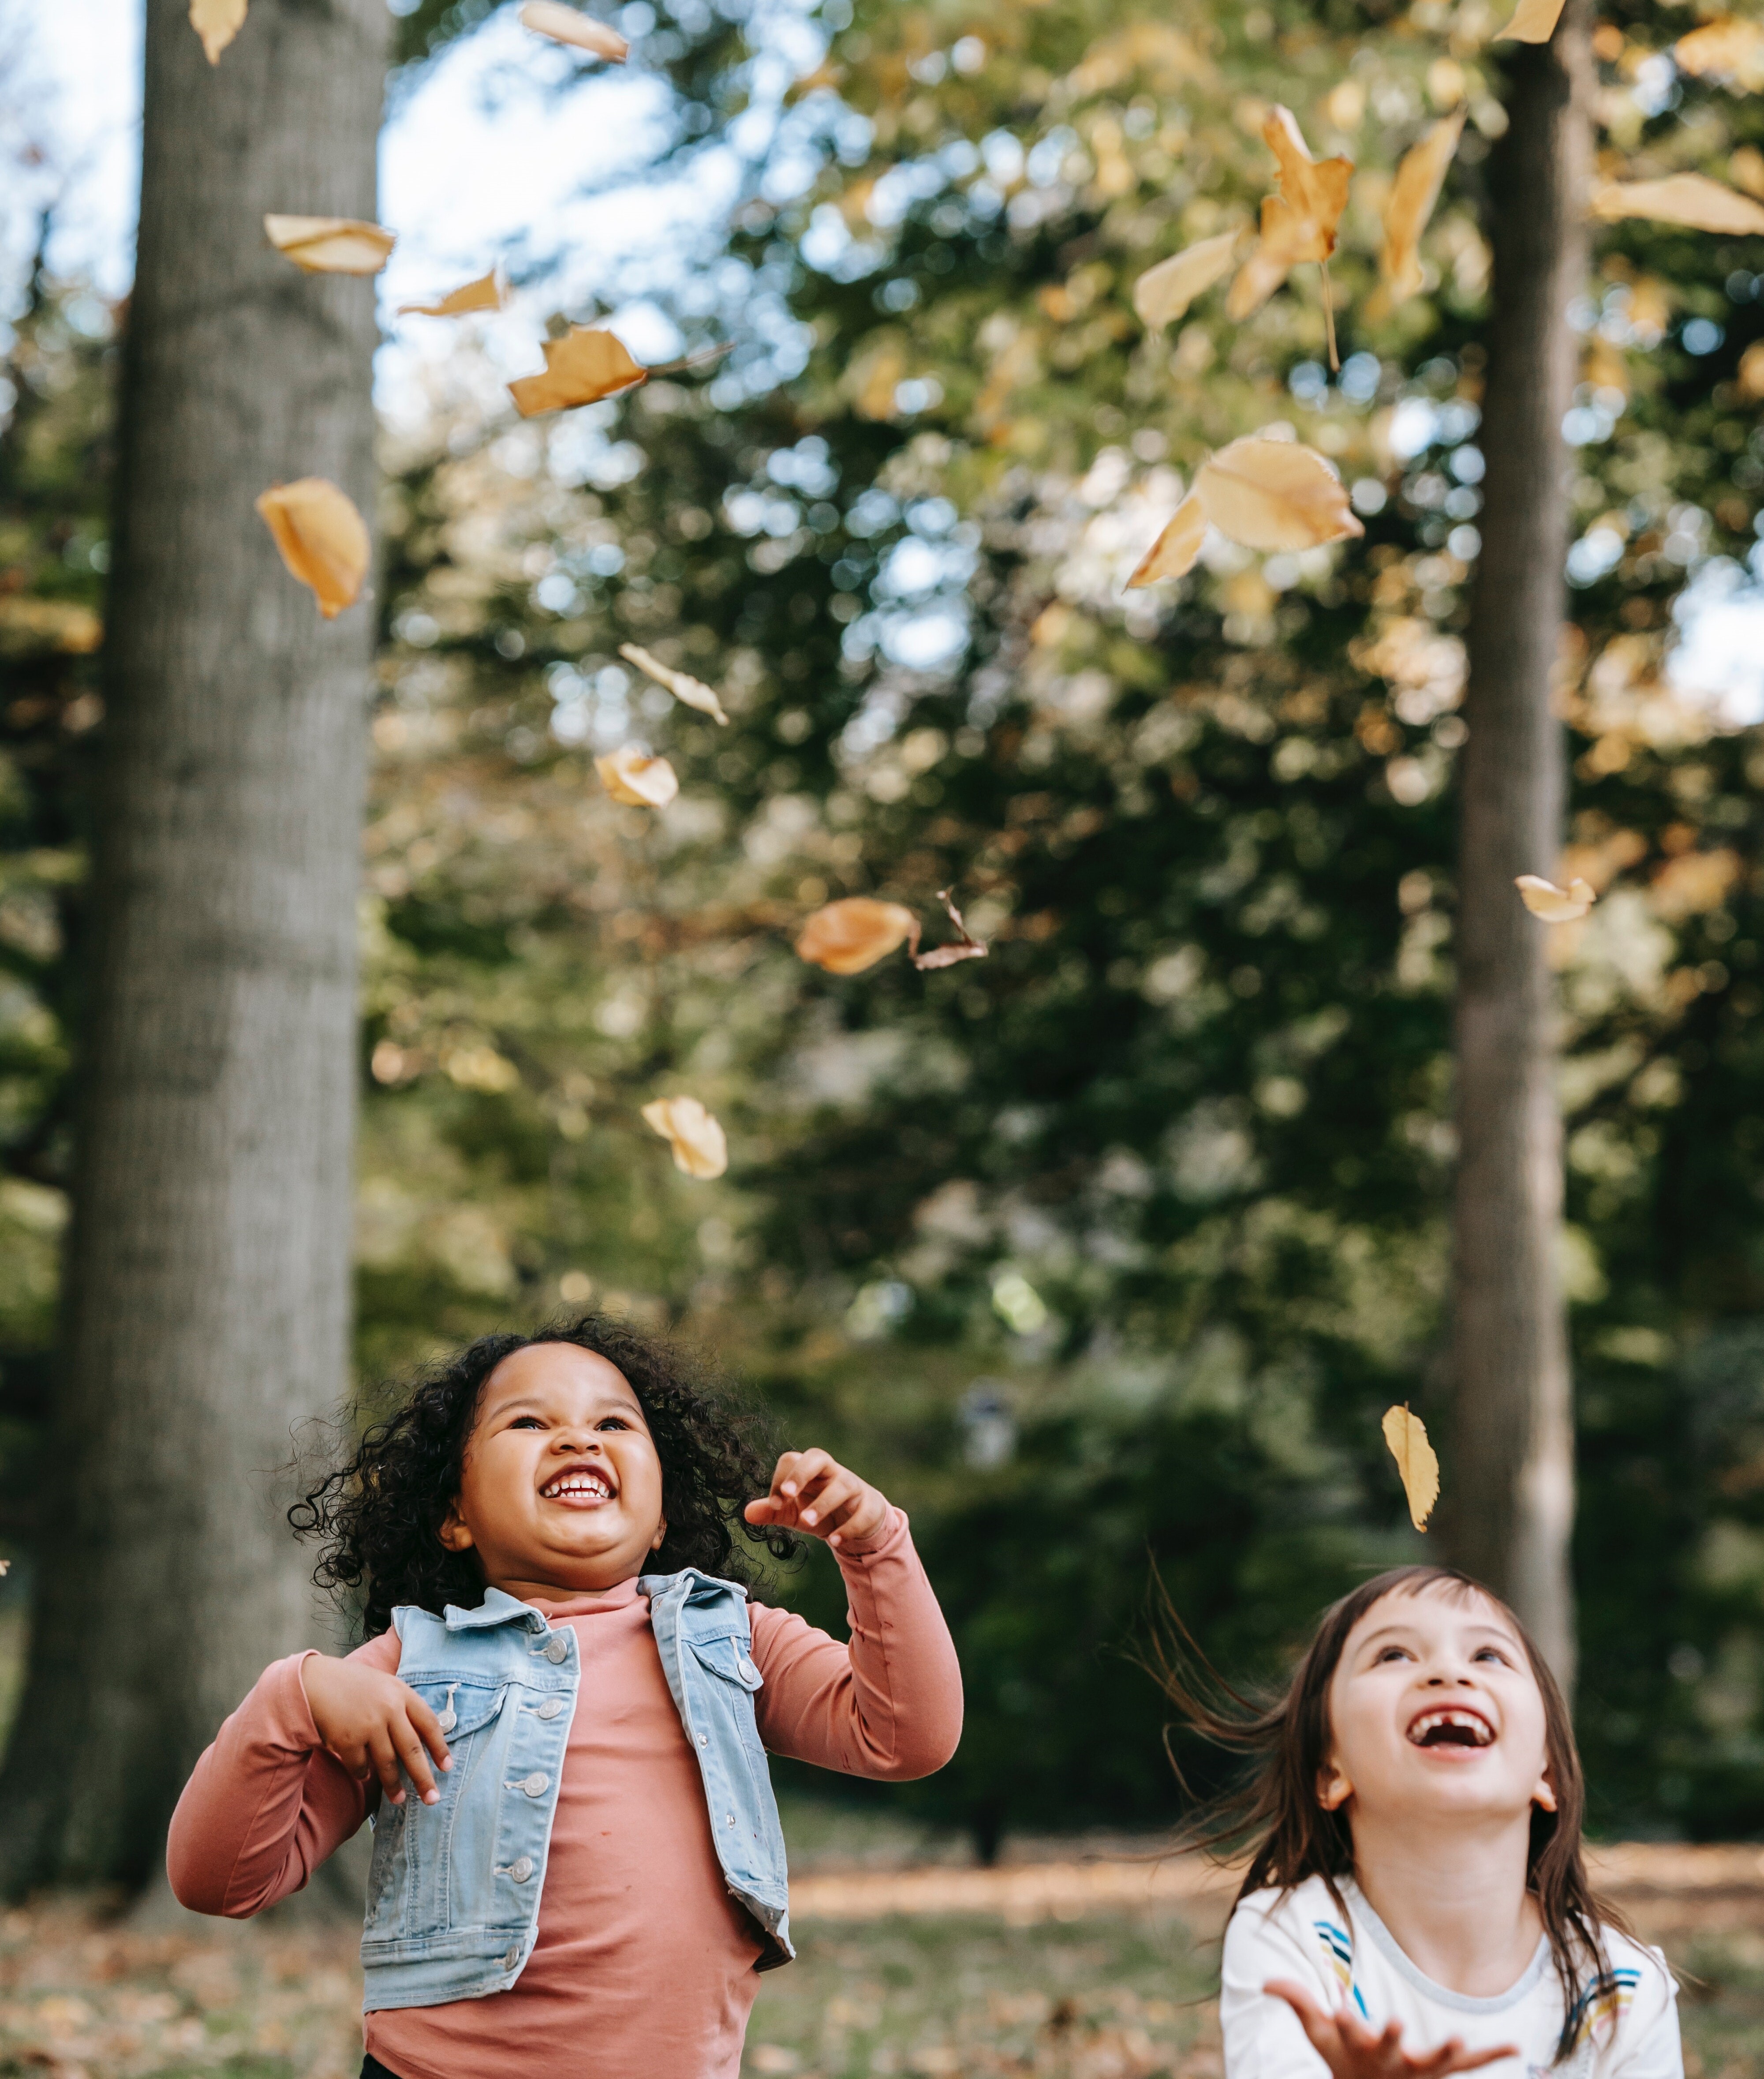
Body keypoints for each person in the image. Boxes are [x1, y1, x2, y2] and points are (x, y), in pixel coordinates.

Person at [167, 1315, 963, 2079]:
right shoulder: (408, 1666)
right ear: (454, 1514)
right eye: (527, 1423)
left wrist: (874, 1543)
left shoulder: (731, 1636)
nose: (579, 1437)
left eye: (615, 1424)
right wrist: (294, 1693)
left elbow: (903, 1736)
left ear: (659, 1518)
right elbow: (221, 1881)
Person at [1159, 1566, 1681, 2079]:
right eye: (1393, 1654)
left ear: (1546, 1773)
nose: (1449, 1672)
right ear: (1328, 1771)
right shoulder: (1291, 1937)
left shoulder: (1624, 1987)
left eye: (1487, 1655)